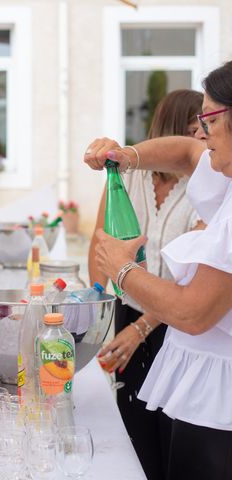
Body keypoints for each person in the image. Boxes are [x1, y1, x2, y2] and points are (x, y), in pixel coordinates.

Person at [84, 60, 232, 479]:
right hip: (201, 387)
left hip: (218, 403)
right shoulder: (224, 173)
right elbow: (185, 152)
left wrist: (123, 269)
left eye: (209, 119)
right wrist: (124, 155)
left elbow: (192, 313)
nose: (201, 133)